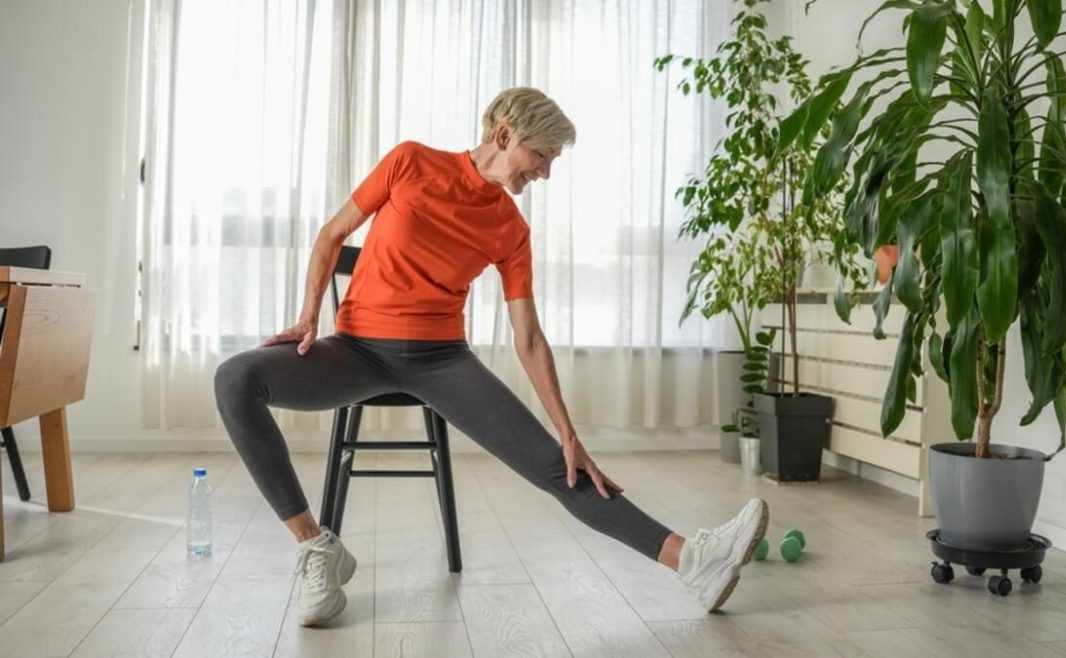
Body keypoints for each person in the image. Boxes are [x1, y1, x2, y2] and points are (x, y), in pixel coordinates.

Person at [214, 87, 768, 626]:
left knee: (560, 466)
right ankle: (316, 548)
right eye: (543, 156)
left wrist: (569, 433)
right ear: (505, 135)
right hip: (356, 350)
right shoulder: (410, 162)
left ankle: (694, 560)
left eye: (553, 161)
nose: (546, 172)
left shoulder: (510, 227)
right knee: (236, 378)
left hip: (440, 361)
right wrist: (311, 315)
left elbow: (527, 336)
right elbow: (333, 234)